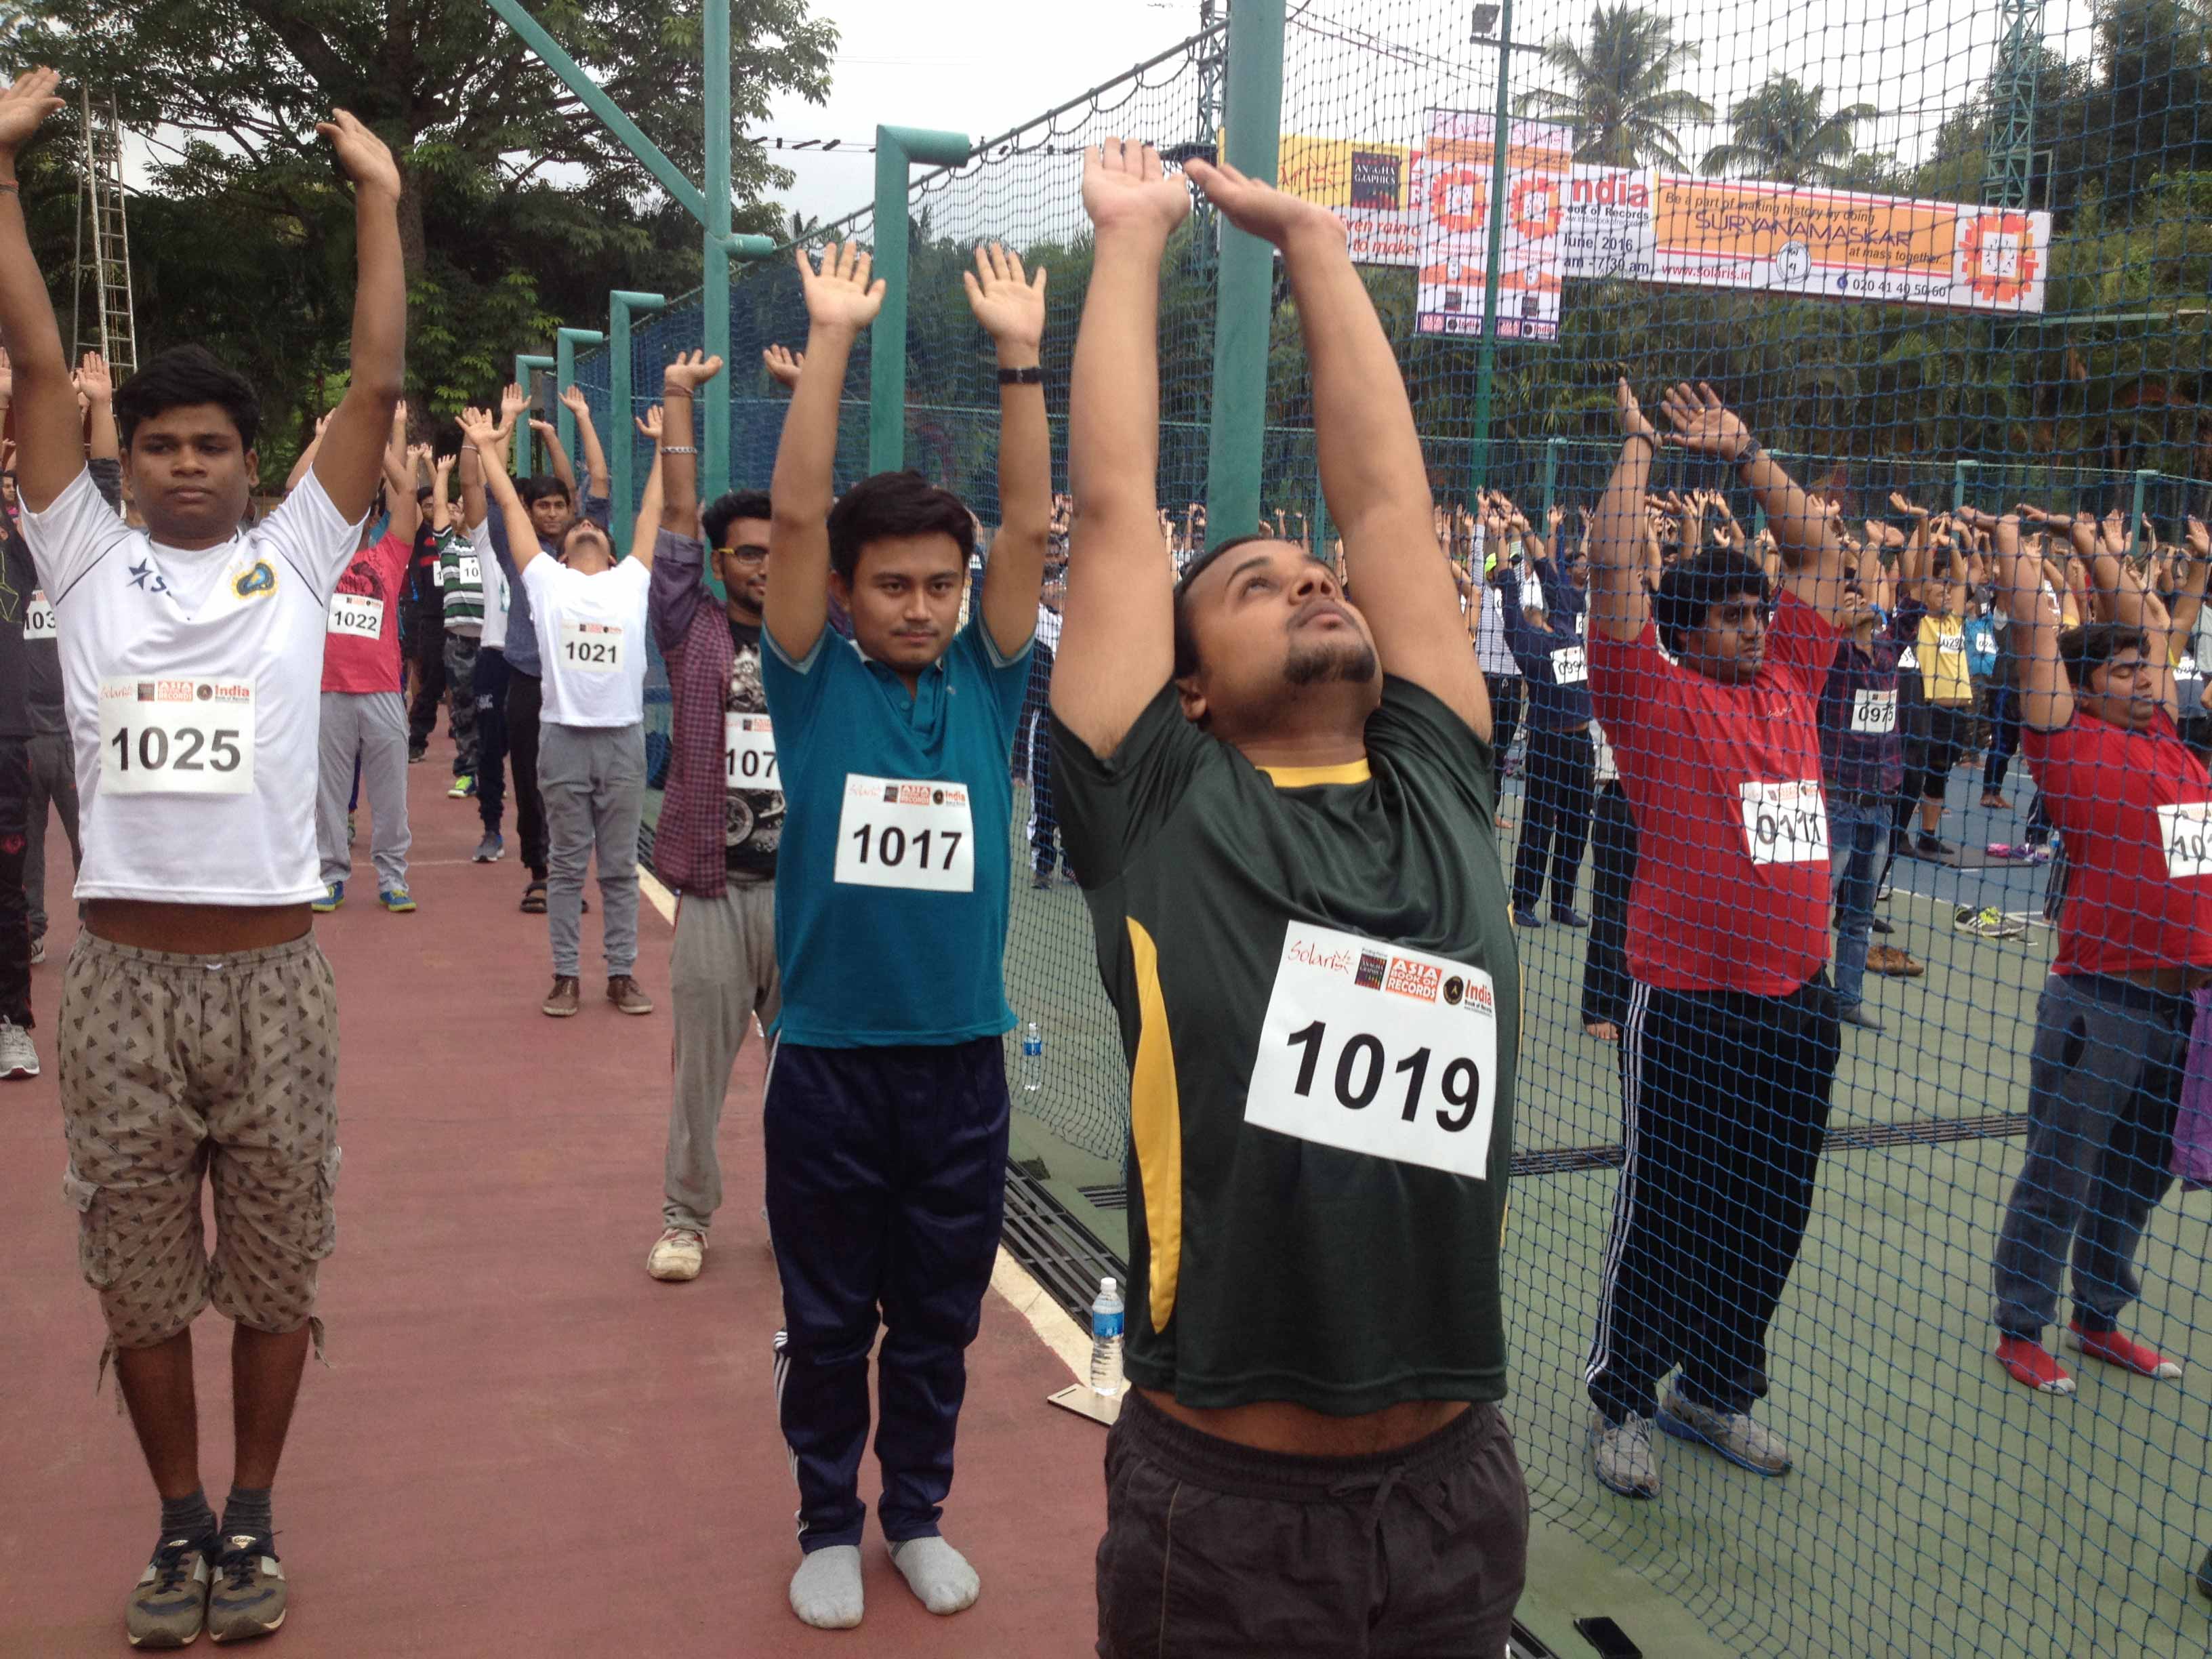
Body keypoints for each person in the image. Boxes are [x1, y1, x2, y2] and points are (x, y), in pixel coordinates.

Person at [1054, 140, 1527, 1658]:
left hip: (1456, 1497)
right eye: (1256, 587)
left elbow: (1384, 502)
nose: (1317, 582)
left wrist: (1316, 242)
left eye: (1317, 576)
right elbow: (1113, 509)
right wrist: (1133, 237)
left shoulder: (1439, 775)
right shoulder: (1155, 798)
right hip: (1228, 1519)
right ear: (1185, 685)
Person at [5, 70, 402, 1646]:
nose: (184, 464)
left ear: (251, 462)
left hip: (274, 982)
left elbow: (374, 387)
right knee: (142, 1278)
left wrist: (379, 197)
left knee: (280, 1273)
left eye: (212, 445)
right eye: (160, 444)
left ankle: (255, 1514)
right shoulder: (82, 557)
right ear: (127, 463)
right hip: (120, 985)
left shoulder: (296, 557)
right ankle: (179, 1523)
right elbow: (40, 367)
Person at [759, 238, 1047, 1631]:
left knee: (938, 1318)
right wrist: (831, 339)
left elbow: (1031, 528)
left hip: (959, 1066)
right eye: (893, 585)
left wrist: (1019, 361)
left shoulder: (989, 684)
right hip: (828, 1061)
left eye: (940, 583)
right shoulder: (812, 683)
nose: (920, 605)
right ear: (846, 593)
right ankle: (826, 1518)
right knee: (829, 1320)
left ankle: (916, 1511)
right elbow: (795, 518)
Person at [1581, 377, 1852, 1502]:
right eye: (1732, 614)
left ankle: (1715, 1387)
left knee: (1770, 1205)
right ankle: (1621, 1401)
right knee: (1667, 1200)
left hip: (1798, 999)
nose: (1754, 624)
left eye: (1758, 610)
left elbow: (1821, 555)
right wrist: (1641, 447)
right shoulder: (1648, 695)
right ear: (1685, 632)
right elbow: (1610, 569)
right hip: (1686, 997)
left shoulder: (1792, 677)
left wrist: (1745, 453)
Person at [1984, 507, 2211, 1393]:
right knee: (2061, 1172)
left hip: (2186, 1011)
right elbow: (2036, 630)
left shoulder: (2166, 738)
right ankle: (2021, 1327)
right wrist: (2013, 545)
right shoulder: (2068, 745)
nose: (2146, 679)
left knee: (2140, 1178)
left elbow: (2146, 623)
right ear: (2082, 690)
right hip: (2102, 1004)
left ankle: (2100, 1318)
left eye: (2146, 669)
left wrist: (2091, 546)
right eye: (2122, 671)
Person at [467, 371, 680, 1019]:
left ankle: (622, 973)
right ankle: (565, 975)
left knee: (617, 870)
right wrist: (488, 448)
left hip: (622, 742)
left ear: (613, 557)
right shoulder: (546, 582)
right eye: (575, 528)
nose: (585, 526)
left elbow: (653, 513)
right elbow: (511, 511)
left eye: (595, 528)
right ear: (559, 556)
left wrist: (666, 445)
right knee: (564, 868)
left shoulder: (630, 582)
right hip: (561, 739)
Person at [644, 453, 783, 1282]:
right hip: (713, 888)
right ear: (720, 562)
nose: (766, 566)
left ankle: (794, 1216)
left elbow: (821, 518)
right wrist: (675, 402)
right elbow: (674, 526)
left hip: (804, 896)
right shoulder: (689, 627)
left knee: (806, 1077)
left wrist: (812, 399)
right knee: (700, 1071)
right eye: (749, 553)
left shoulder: (822, 635)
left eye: (778, 551)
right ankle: (685, 1220)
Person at [483, 381, 610, 913]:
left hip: (582, 683)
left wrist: (581, 419)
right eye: (544, 506)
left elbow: (597, 482)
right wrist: (504, 427)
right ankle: (541, 873)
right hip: (529, 678)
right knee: (530, 778)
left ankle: (572, 874)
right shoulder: (519, 550)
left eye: (561, 505)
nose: (555, 514)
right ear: (530, 511)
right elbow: (497, 494)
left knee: (577, 786)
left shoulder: (588, 545)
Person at [308, 405, 419, 914]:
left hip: (381, 692)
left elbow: (407, 495)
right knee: (328, 794)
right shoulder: (313, 557)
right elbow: (296, 489)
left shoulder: (387, 555)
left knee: (391, 794)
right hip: (328, 690)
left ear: (371, 517)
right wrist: (326, 439)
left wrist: (377, 442)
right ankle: (330, 875)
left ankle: (393, 878)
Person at [13, 346, 103, 967]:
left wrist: (88, 409)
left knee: (92, 841)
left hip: (75, 732)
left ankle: (100, 926)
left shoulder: (78, 565)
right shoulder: (12, 565)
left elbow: (96, 483)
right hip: (22, 734)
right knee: (23, 852)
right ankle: (32, 928)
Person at [1818, 553, 1908, 1030]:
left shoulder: (1889, 651)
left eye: (1861, 597)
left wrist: (1886, 546)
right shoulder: (1832, 656)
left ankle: (1847, 999)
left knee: (1860, 913)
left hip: (1881, 805)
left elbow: (1912, 602)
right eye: (1845, 599)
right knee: (1817, 905)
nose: (1857, 603)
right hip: (1838, 801)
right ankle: (1809, 995)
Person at [1494, 504, 1594, 928]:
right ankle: (1525, 902)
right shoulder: (1526, 642)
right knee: (1539, 823)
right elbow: (1508, 590)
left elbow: (1546, 568)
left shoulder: (1567, 620)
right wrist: (1499, 536)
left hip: (1581, 742)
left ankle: (1562, 902)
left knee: (1576, 824)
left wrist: (1524, 527)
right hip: (1547, 743)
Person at [432, 447, 483, 800]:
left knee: (493, 711)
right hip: (459, 641)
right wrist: (442, 474)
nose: (459, 509)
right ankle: (467, 773)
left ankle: (490, 770)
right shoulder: (448, 545)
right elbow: (438, 507)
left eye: (466, 505)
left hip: (492, 640)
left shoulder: (489, 545)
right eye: (457, 506)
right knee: (463, 710)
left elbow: (484, 492)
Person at [1022, 552, 1071, 887]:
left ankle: (1073, 863)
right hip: (1046, 720)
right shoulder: (1036, 618)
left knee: (1077, 795)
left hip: (1078, 722)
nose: (1058, 588)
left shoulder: (1081, 620)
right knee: (1044, 794)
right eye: (1051, 583)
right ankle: (1043, 864)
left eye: (1060, 582)